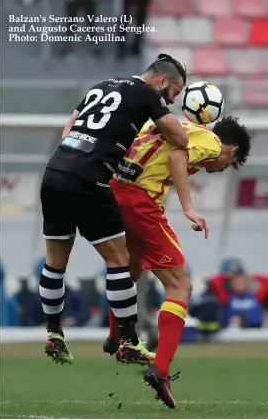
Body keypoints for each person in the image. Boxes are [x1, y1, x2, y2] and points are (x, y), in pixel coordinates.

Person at [39, 53, 189, 365]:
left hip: (55, 173)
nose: (172, 101)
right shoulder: (147, 93)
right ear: (161, 80)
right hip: (90, 180)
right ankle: (130, 341)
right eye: (173, 93)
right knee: (120, 260)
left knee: (54, 262)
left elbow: (68, 130)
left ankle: (54, 335)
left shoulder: (102, 85)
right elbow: (179, 137)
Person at [103, 116, 251, 408]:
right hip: (140, 201)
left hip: (114, 191)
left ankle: (116, 337)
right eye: (229, 164)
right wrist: (189, 208)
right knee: (180, 286)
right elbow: (176, 157)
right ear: (231, 150)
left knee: (129, 268)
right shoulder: (211, 141)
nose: (221, 169)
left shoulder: (171, 124)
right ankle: (160, 371)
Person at [210, 257, 268, 328]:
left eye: (241, 280)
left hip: (255, 331)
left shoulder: (255, 297)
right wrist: (228, 276)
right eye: (235, 280)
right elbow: (214, 281)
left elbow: (266, 282)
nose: (240, 282)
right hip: (234, 332)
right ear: (230, 282)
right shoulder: (226, 297)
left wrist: (251, 276)